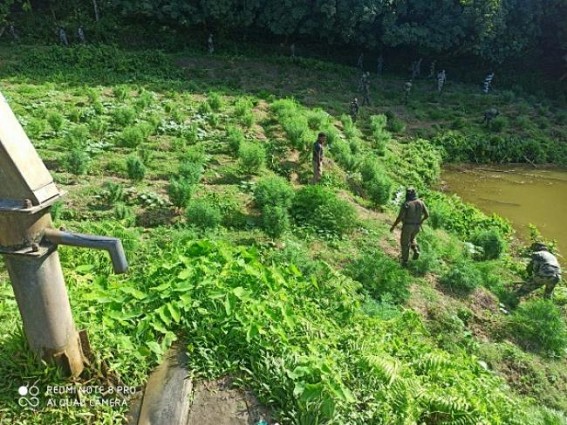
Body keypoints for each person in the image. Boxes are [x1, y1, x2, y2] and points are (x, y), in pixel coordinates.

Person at [390, 187, 429, 266]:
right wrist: (421, 221)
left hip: (408, 226)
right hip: (417, 227)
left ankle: (405, 261)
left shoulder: (406, 204)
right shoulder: (421, 202)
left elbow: (400, 217)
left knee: (405, 243)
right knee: (412, 238)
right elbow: (427, 215)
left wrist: (393, 226)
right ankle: (415, 249)